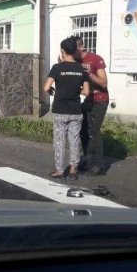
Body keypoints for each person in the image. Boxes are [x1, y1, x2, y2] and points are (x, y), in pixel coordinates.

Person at [44, 37, 90, 181]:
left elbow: (46, 87)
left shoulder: (57, 68)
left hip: (60, 110)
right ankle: (73, 170)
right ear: (75, 51)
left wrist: (51, 89)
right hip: (76, 111)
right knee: (74, 140)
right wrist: (75, 91)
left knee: (59, 140)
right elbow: (87, 92)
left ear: (62, 51)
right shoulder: (82, 69)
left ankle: (59, 170)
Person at [75, 36, 109, 176]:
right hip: (88, 100)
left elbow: (104, 83)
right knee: (83, 130)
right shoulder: (76, 61)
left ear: (81, 47)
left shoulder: (95, 59)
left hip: (100, 100)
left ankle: (99, 166)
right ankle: (88, 160)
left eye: (74, 48)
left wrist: (89, 74)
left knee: (94, 132)